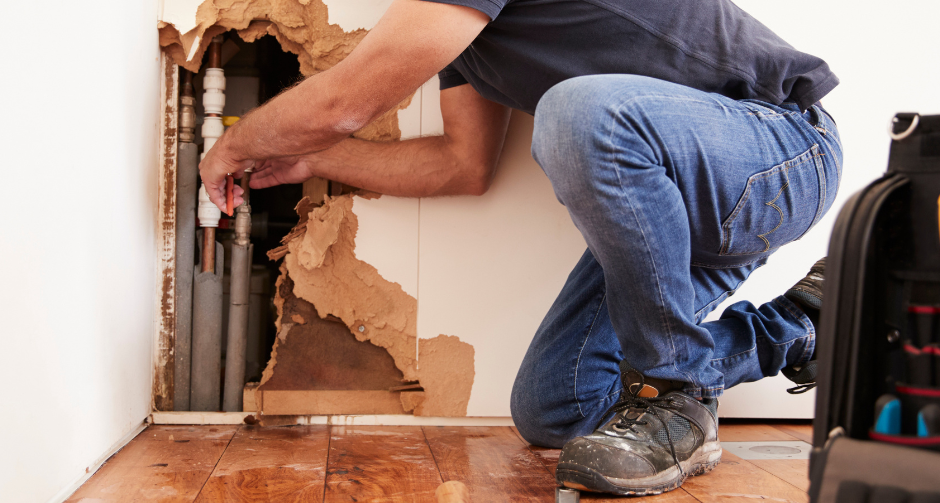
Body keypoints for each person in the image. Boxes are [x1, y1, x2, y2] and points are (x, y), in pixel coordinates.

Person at [199, 0, 842, 495]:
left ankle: (676, 399)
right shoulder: (461, 30)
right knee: (558, 406)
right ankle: (802, 325)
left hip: (778, 153)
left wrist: (239, 141)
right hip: (669, 204)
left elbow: (351, 98)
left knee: (579, 112)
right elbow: (461, 164)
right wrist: (309, 156)